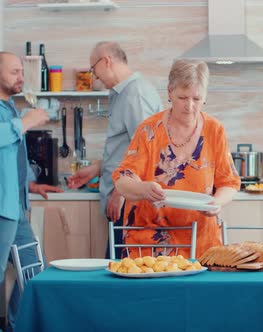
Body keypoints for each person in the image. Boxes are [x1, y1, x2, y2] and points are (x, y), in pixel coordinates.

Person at [0, 51, 63, 332]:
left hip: (13, 207)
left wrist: (29, 185)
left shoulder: (7, 108)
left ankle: (17, 327)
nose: (21, 77)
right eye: (14, 72)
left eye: (21, 71)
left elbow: (7, 159)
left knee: (34, 270)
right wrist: (28, 121)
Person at [112, 59, 241, 258]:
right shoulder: (149, 130)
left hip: (201, 245)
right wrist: (143, 189)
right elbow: (122, 181)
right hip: (149, 248)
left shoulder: (214, 130)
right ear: (170, 92)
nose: (189, 106)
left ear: (205, 97)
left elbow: (229, 182)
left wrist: (217, 202)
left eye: (197, 99)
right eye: (182, 97)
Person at [67, 41, 162, 258]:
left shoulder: (135, 94)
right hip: (123, 197)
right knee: (117, 269)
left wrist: (121, 191)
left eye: (94, 70)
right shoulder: (122, 93)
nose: (95, 77)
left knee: (123, 272)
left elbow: (148, 150)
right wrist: (97, 169)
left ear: (107, 61)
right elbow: (129, 148)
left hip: (130, 201)